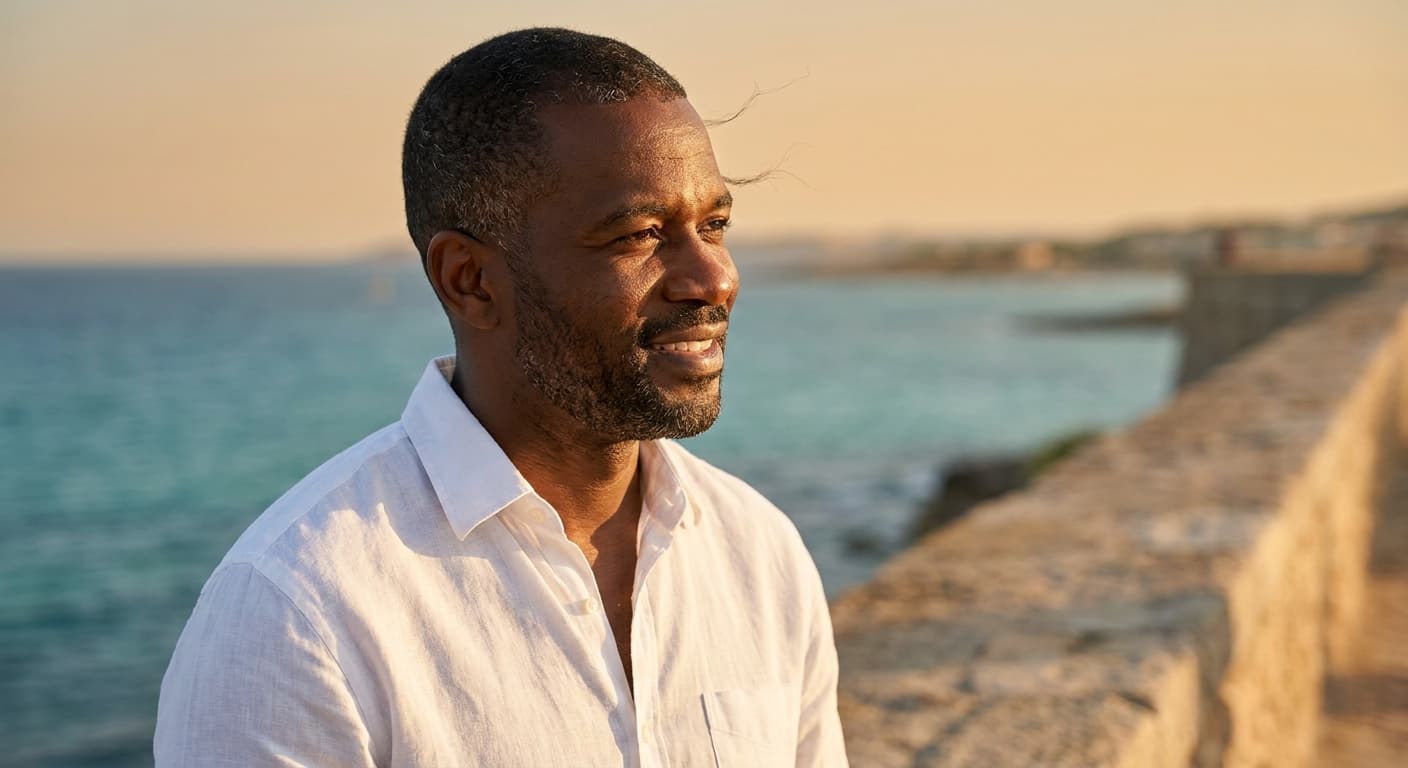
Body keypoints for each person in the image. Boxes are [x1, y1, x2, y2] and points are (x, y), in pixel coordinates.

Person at [155, 27, 847, 767]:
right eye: (642, 234)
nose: (712, 279)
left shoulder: (758, 554)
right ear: (469, 279)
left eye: (714, 225)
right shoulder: (298, 611)